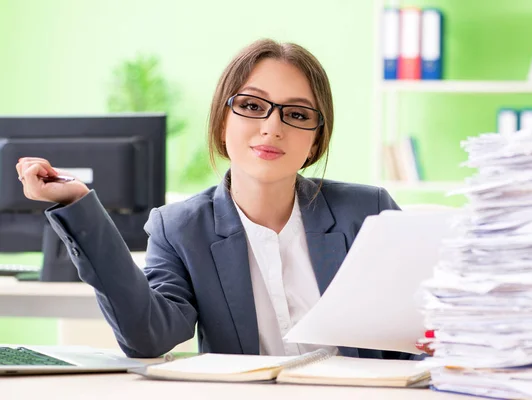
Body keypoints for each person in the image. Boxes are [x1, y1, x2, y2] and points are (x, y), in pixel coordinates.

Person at [16, 39, 428, 359]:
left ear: (315, 138)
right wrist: (78, 205)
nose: (272, 127)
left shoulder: (369, 213)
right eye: (252, 105)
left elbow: (429, 322)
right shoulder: (178, 228)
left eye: (297, 114)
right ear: (222, 119)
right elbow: (148, 337)